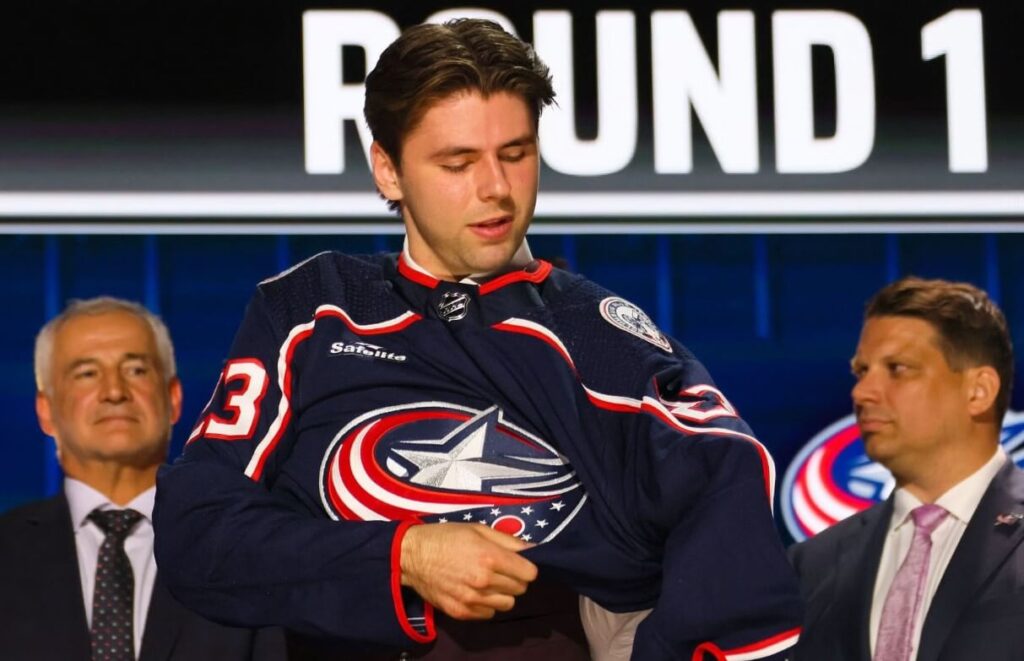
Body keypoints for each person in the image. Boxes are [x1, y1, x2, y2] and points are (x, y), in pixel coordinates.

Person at [153, 18, 802, 660]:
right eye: (457, 162)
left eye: (515, 154)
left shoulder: (598, 336)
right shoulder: (312, 312)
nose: (495, 188)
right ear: (388, 170)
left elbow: (729, 513)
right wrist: (405, 554)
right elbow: (197, 530)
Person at [0, 297, 284, 661]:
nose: (115, 392)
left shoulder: (246, 553)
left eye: (136, 370)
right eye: (87, 373)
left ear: (173, 398)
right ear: (45, 410)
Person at [788, 276, 1023, 660]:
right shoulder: (812, 564)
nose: (862, 393)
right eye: (862, 371)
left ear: (979, 391)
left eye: (897, 368)